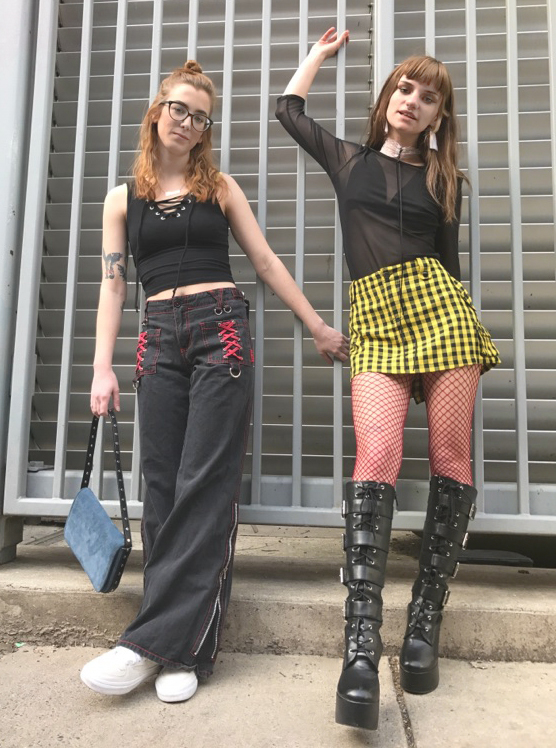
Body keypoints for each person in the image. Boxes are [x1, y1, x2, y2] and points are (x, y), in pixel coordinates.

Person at [82, 60, 349, 704]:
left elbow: (263, 260)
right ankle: (189, 651)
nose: (188, 122)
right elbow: (113, 284)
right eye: (179, 108)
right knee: (163, 485)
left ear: (206, 130)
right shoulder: (123, 198)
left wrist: (315, 324)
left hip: (219, 328)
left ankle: (148, 644)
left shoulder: (220, 188)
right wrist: (99, 366)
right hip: (156, 337)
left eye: (200, 117)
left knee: (207, 481)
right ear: (157, 111)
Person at [276, 28, 500, 730]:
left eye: (428, 97)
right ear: (387, 99)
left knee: (451, 459)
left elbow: (450, 265)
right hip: (374, 322)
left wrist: (458, 341)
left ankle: (425, 623)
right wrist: (318, 53)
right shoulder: (349, 162)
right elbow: (287, 113)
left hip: (443, 318)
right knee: (375, 457)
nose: (413, 100)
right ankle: (362, 647)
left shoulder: (445, 180)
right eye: (405, 88)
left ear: (440, 116)